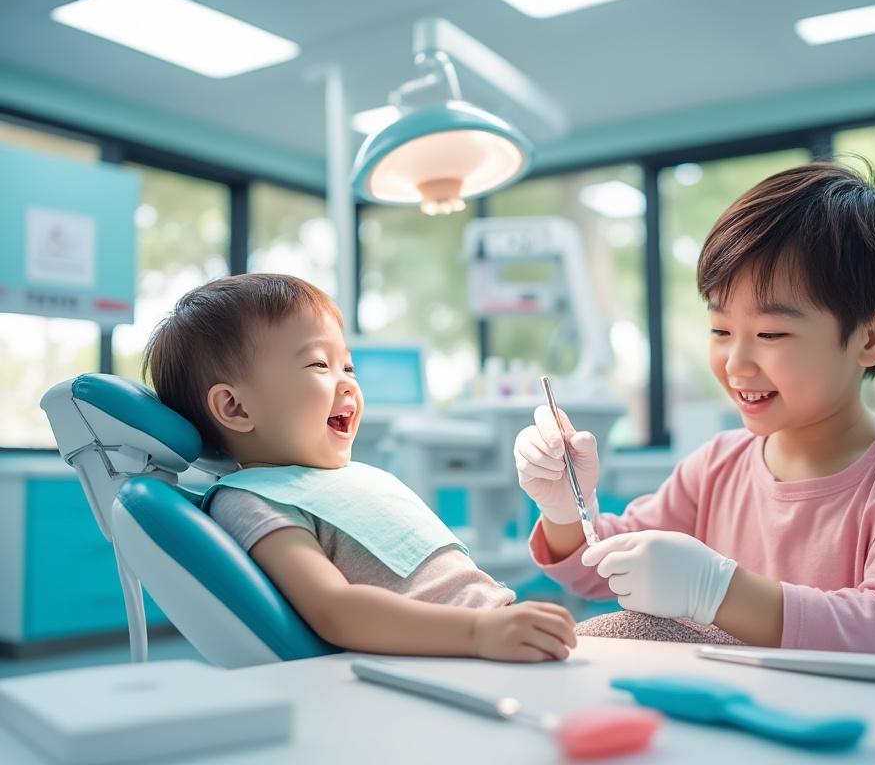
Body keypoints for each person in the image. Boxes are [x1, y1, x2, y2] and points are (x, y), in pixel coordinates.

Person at [514, 161, 875, 657]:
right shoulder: (715, 467)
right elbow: (600, 569)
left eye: (771, 334)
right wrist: (565, 508)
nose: (736, 363)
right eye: (720, 331)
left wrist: (720, 592)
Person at [144, 273, 576, 662]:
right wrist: (478, 632)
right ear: (235, 407)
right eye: (319, 364)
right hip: (455, 655)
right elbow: (335, 609)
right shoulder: (252, 499)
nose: (348, 381)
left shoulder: (343, 478)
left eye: (347, 366)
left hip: (498, 632)